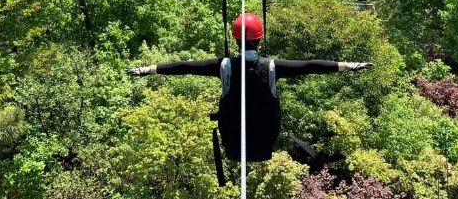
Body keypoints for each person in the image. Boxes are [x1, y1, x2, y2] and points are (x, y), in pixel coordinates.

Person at [127, 12, 372, 163]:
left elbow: (186, 66)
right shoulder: (273, 67)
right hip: (264, 140)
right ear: (260, 39)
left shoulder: (224, 66)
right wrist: (348, 65)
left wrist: (149, 69)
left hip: (234, 142)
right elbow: (309, 65)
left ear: (235, 39)